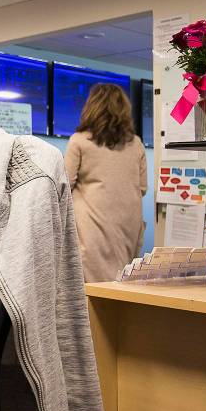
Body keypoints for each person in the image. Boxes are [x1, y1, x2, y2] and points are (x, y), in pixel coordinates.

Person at [64, 83, 148, 282]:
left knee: (91, 289)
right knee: (121, 283)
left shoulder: (79, 141)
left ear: (92, 107)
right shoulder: (135, 143)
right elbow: (142, 188)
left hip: (90, 226)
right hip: (128, 225)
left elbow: (64, 184)